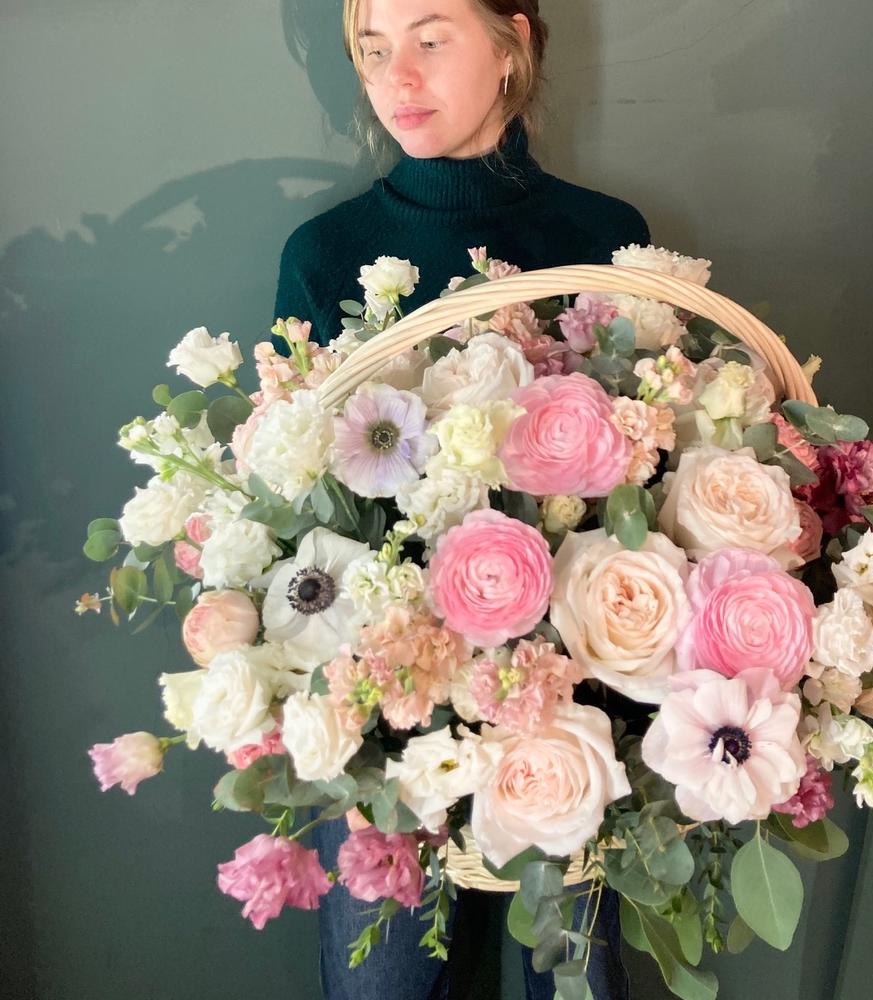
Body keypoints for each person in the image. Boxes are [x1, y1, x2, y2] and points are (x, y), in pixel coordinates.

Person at [271, 2, 650, 997]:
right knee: (386, 981)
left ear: (511, 42)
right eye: (373, 49)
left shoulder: (605, 237)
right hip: (383, 704)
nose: (397, 77)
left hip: (574, 699)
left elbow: (643, 479)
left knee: (576, 980)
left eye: (431, 38)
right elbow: (291, 509)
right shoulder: (323, 254)